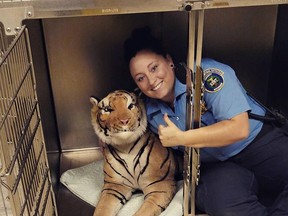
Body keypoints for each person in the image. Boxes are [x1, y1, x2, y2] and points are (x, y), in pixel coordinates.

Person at [123, 26, 288, 216]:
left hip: (258, 143)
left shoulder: (204, 74)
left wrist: (182, 138)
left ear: (168, 61)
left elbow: (239, 128)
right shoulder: (146, 108)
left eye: (154, 68)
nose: (151, 81)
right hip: (217, 165)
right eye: (141, 78)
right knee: (222, 203)